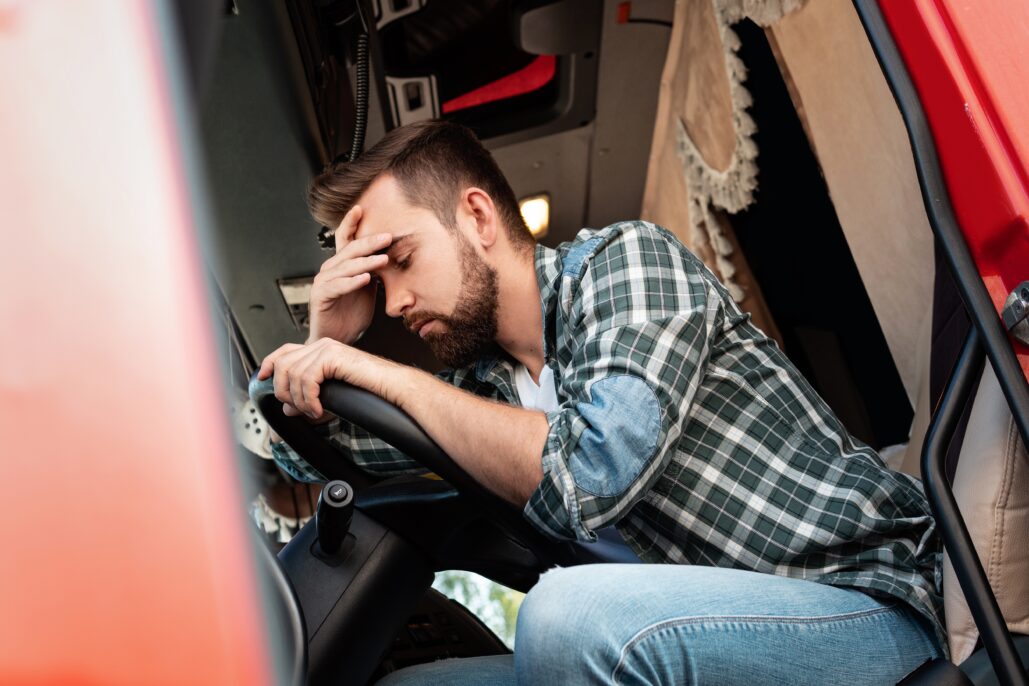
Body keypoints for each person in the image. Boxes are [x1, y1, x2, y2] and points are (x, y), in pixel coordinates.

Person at [258, 120, 945, 684]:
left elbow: (587, 479)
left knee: (566, 618)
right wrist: (325, 343)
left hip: (864, 605)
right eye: (378, 286)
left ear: (475, 217)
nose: (395, 302)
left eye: (400, 261)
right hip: (694, 637)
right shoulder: (483, 391)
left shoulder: (626, 263)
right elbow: (326, 458)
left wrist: (387, 374)